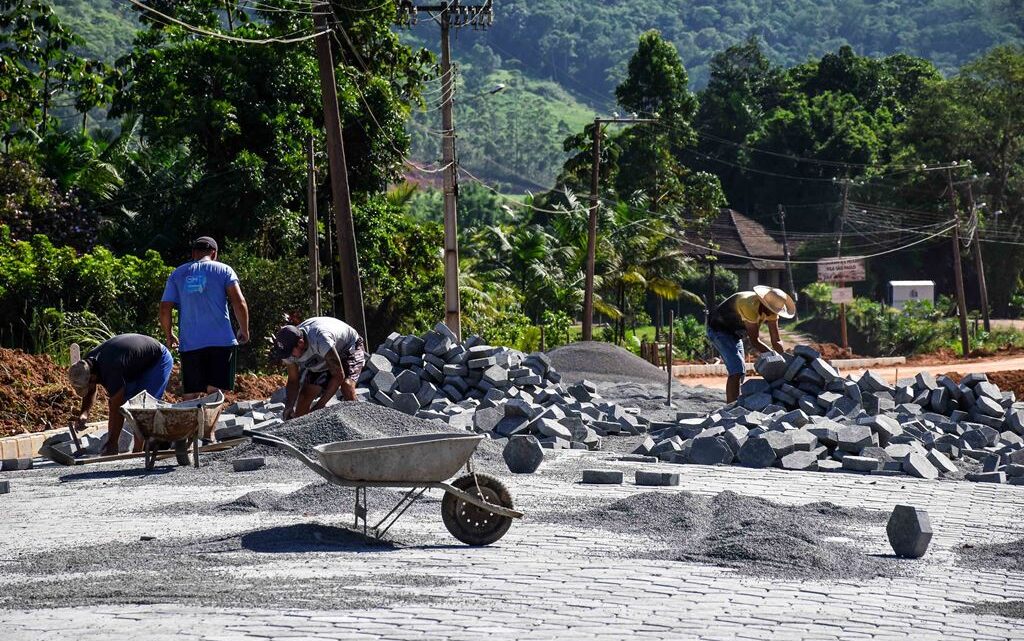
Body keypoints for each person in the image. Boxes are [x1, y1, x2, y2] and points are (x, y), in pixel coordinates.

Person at [160, 236, 250, 400]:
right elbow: (239, 301)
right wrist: (244, 329)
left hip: (190, 344)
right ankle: (211, 425)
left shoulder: (178, 274)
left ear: (194, 253)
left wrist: (169, 334)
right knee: (214, 392)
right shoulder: (224, 270)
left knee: (190, 393)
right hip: (221, 342)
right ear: (214, 253)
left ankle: (191, 425)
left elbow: (165, 308)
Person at [68, 333, 174, 456]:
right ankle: (141, 447)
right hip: (135, 363)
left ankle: (138, 451)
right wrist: (84, 414)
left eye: (88, 384)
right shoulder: (86, 365)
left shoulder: (111, 369)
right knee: (129, 399)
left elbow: (117, 408)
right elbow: (91, 389)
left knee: (142, 407)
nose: (89, 387)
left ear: (93, 377)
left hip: (158, 359)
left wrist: (112, 443)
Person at [707, 285, 796, 403]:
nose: (773, 313)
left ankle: (735, 405)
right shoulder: (748, 305)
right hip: (718, 329)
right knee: (736, 369)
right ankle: (730, 408)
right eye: (772, 310)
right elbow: (754, 340)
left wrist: (785, 360)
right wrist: (775, 358)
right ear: (764, 304)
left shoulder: (772, 311)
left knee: (741, 371)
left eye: (775, 311)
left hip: (734, 333)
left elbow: (776, 340)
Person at [269, 317, 366, 419]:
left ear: (300, 343)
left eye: (290, 352)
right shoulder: (287, 350)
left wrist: (319, 406)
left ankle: (360, 422)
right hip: (322, 354)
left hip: (348, 346)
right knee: (304, 396)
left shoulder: (320, 339)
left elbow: (338, 376)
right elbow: (293, 381)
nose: (289, 357)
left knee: (347, 386)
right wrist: (289, 406)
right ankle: (302, 433)